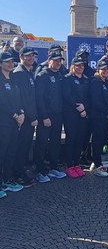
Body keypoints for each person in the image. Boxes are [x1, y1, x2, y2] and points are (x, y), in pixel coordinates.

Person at [35, 52, 66, 183]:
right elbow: (39, 99)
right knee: (41, 143)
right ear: (49, 61)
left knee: (55, 142)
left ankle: (53, 167)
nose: (58, 63)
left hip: (58, 115)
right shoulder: (42, 76)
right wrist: (44, 116)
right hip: (46, 116)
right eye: (55, 60)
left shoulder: (59, 75)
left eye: (60, 61)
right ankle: (40, 170)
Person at [12, 47, 38, 187]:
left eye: (32, 56)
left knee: (25, 146)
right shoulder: (20, 73)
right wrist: (32, 117)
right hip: (25, 119)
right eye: (27, 56)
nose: (31, 58)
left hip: (30, 118)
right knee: (21, 147)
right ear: (21, 57)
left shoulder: (29, 72)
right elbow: (23, 100)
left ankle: (20, 170)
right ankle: (18, 174)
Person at [0, 52, 24, 198]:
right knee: (1, 152)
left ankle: (7, 180)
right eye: (7, 61)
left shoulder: (14, 78)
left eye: (12, 61)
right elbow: (2, 102)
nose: (11, 64)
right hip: (3, 121)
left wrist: (21, 112)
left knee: (11, 151)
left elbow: (19, 98)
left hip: (15, 122)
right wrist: (15, 115)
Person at [63, 57, 90, 178]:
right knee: (71, 140)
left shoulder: (86, 79)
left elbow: (89, 96)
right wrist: (78, 106)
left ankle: (77, 164)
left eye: (82, 66)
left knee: (80, 139)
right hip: (71, 113)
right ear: (73, 66)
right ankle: (69, 165)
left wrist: (84, 108)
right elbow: (67, 96)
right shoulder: (67, 79)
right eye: (78, 65)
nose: (80, 68)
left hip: (83, 114)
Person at [89, 60, 108, 177]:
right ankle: (97, 165)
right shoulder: (95, 82)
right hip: (98, 116)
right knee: (97, 140)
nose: (106, 71)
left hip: (106, 117)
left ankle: (96, 163)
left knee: (103, 139)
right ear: (98, 70)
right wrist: (107, 112)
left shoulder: (106, 82)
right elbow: (96, 101)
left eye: (107, 69)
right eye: (103, 69)